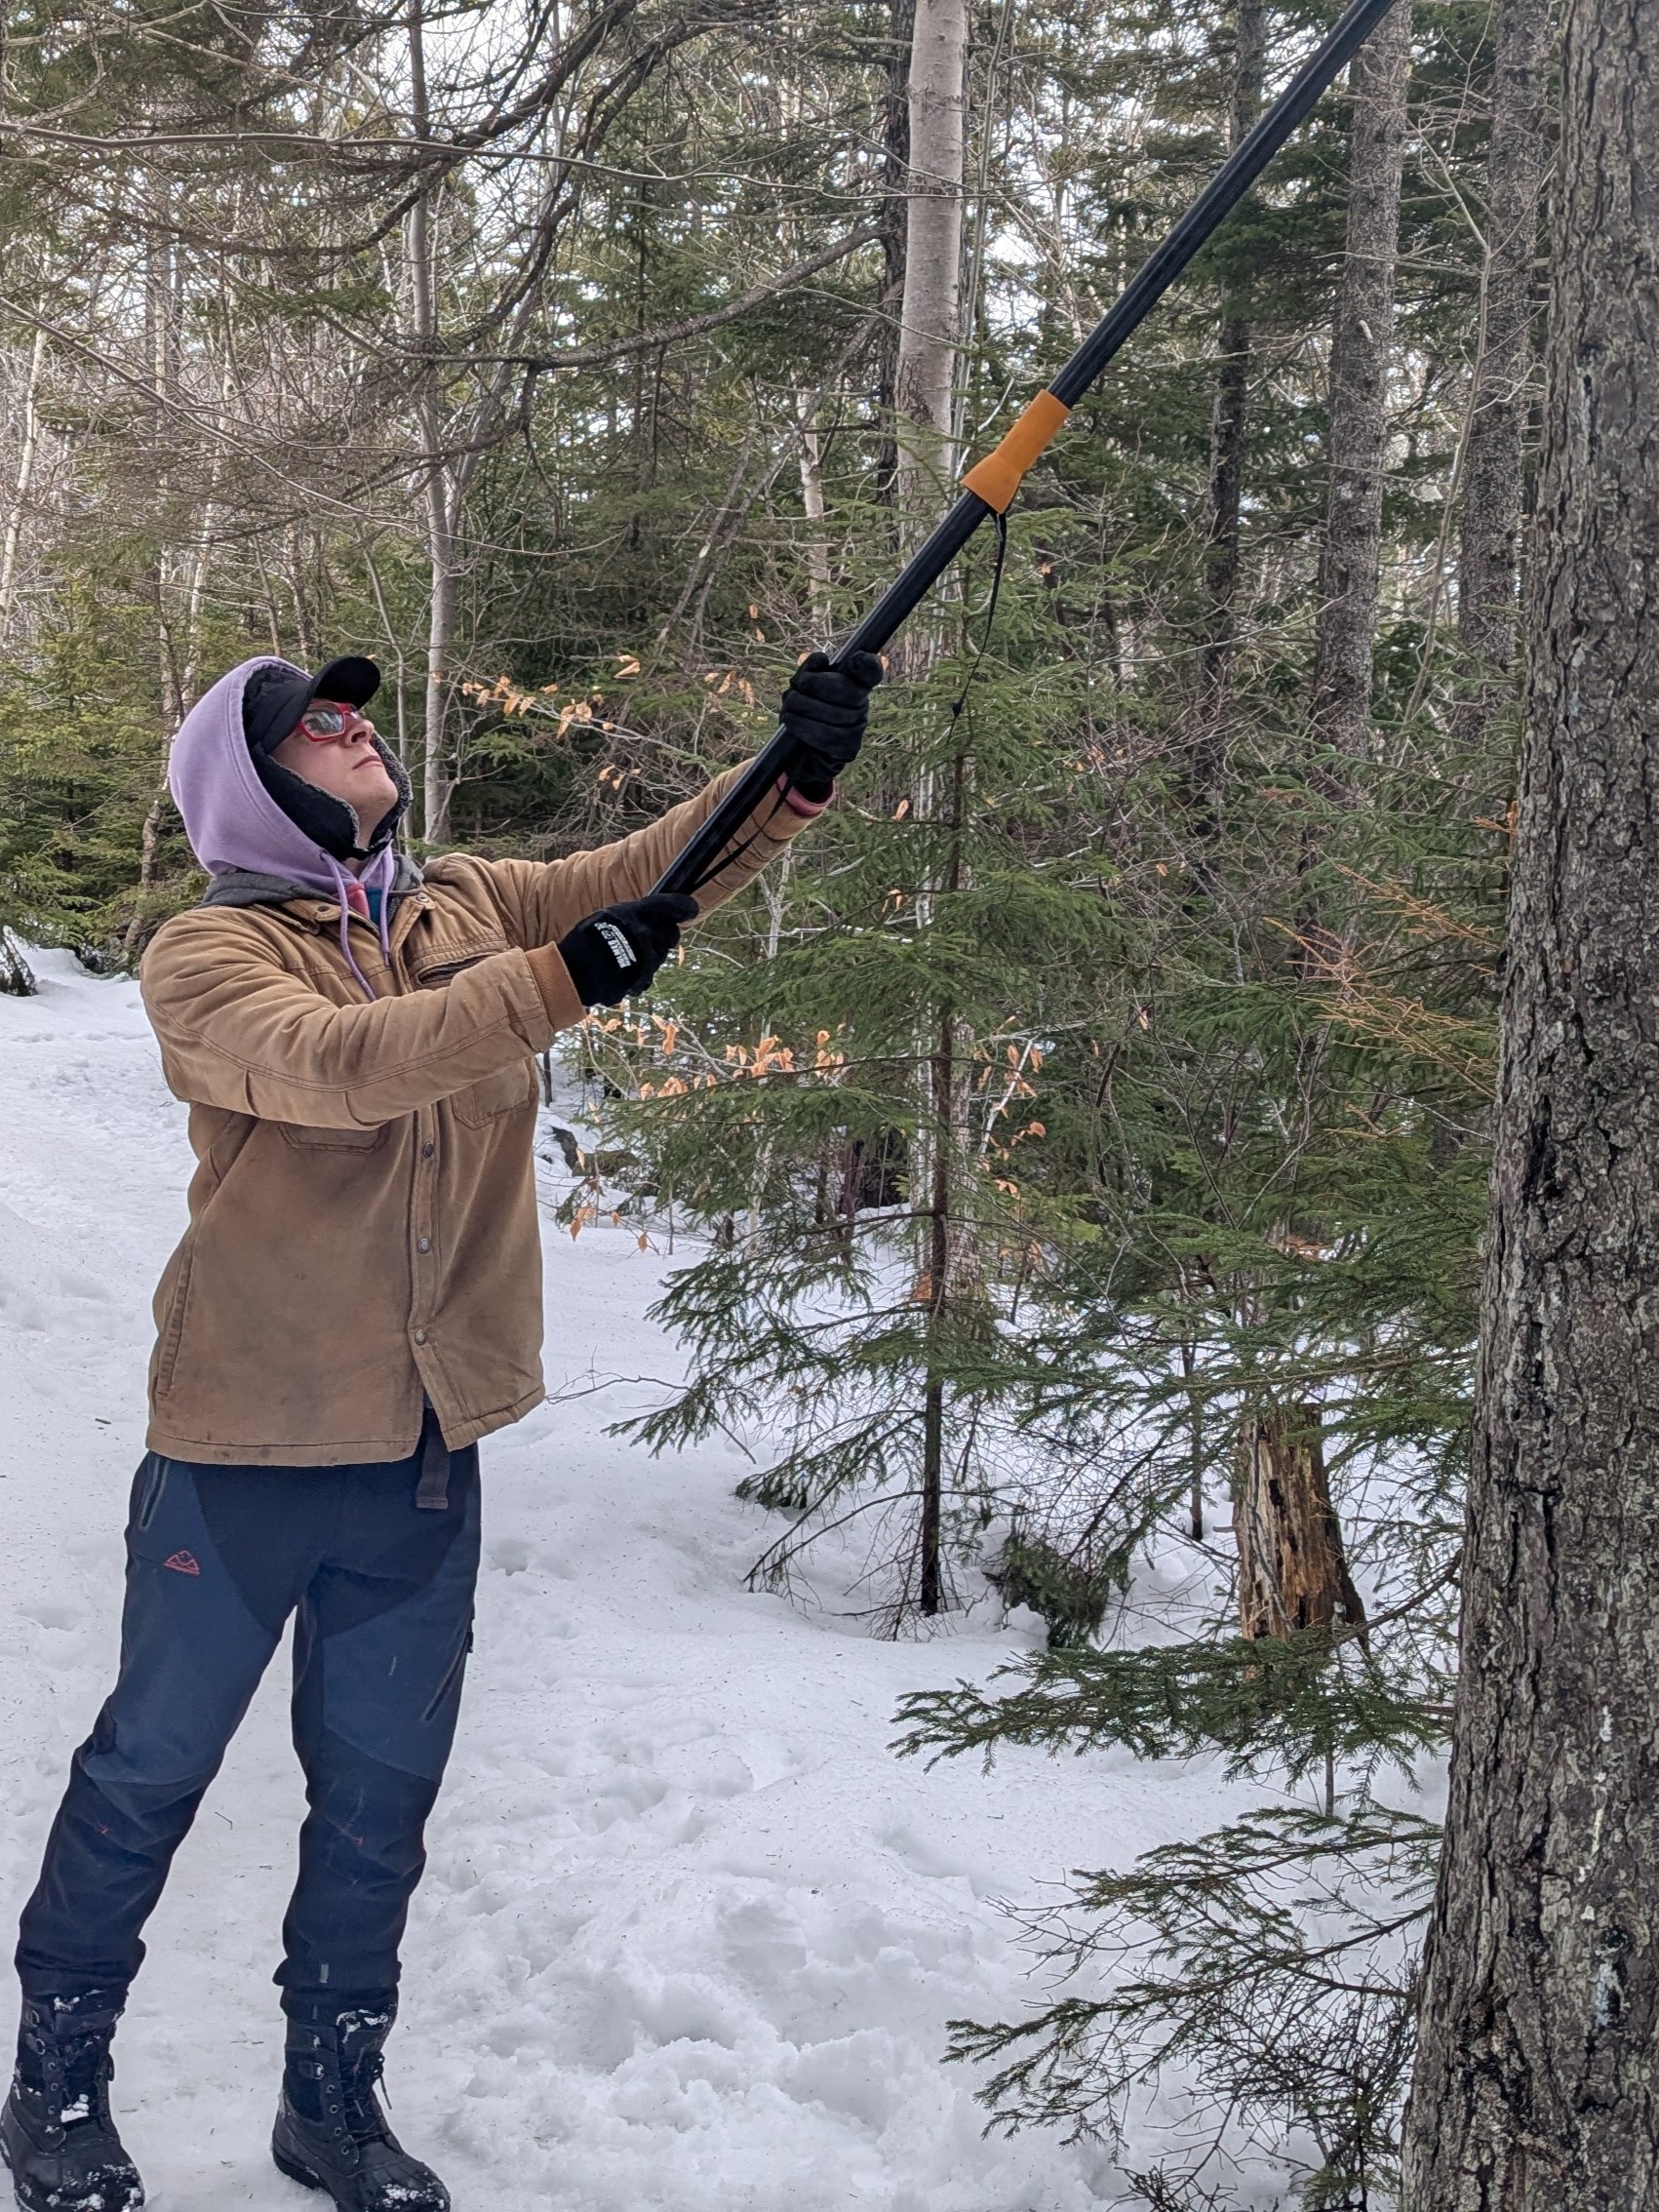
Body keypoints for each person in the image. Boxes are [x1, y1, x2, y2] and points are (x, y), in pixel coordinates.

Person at [0, 645, 881, 2212]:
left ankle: (330, 2102)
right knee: (148, 1771)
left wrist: (789, 774)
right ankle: (55, 2079)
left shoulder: (455, 902)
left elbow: (648, 873)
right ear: (253, 782)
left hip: (418, 1449)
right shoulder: (206, 957)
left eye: (355, 713)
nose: (354, 734)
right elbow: (347, 1071)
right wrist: (555, 982)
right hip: (244, 1449)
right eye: (312, 728)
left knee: (380, 1797)